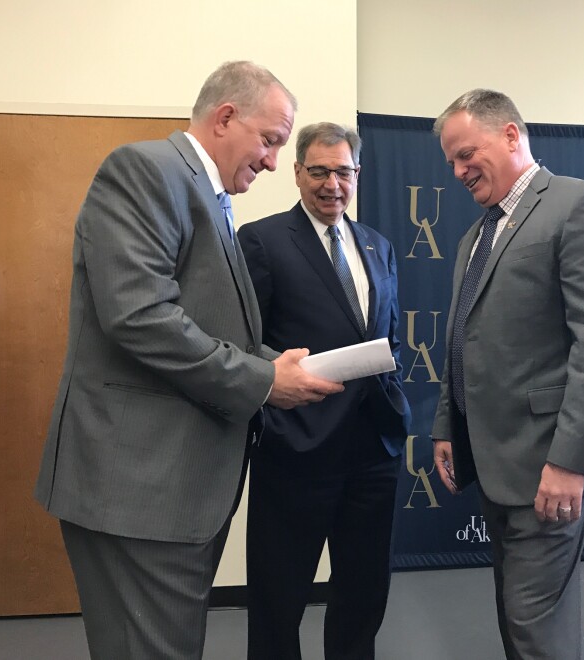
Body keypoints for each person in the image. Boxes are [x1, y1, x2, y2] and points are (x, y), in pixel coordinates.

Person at [34, 61, 344, 660]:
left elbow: (206, 324)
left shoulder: (207, 193)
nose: (275, 161)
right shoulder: (146, 171)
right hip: (139, 489)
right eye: (271, 140)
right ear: (226, 117)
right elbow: (139, 316)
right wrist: (263, 381)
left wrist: (280, 365)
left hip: (172, 489)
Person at [430, 89, 584, 660]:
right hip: (493, 461)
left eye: (467, 153)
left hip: (550, 464)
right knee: (519, 623)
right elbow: (460, 338)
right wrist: (447, 422)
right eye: (450, 161)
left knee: (534, 630)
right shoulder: (476, 236)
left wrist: (570, 460)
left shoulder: (583, 204)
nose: (458, 171)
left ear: (511, 135)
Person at [237, 122, 411, 660]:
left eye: (343, 171)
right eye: (319, 171)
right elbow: (243, 343)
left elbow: (392, 337)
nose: (332, 183)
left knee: (363, 593)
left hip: (372, 451)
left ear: (357, 175)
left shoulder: (377, 246)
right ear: (296, 173)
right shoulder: (261, 241)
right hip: (296, 449)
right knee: (278, 598)